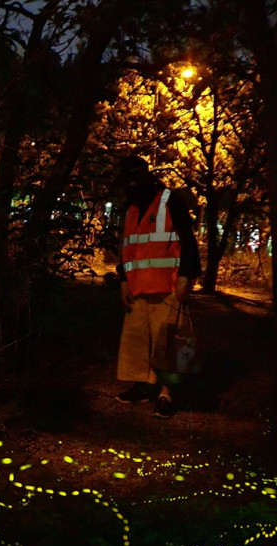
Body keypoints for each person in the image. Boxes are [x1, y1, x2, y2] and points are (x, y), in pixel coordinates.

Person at [113, 155, 201, 420]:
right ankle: (143, 385)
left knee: (169, 343)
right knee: (138, 342)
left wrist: (186, 276)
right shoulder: (131, 207)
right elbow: (127, 247)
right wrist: (124, 280)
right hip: (138, 288)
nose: (129, 187)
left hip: (168, 287)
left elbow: (188, 240)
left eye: (132, 181)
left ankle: (167, 393)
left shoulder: (171, 201)